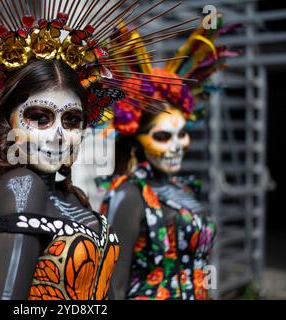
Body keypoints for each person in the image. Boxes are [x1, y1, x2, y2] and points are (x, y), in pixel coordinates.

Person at [0, 0, 190, 300]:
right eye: (40, 118)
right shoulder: (22, 187)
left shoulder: (71, 196)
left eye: (71, 120)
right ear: (8, 120)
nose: (59, 135)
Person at [97, 17, 239, 300]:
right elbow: (112, 285)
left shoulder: (183, 188)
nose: (177, 146)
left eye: (182, 134)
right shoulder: (128, 194)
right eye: (162, 137)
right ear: (137, 138)